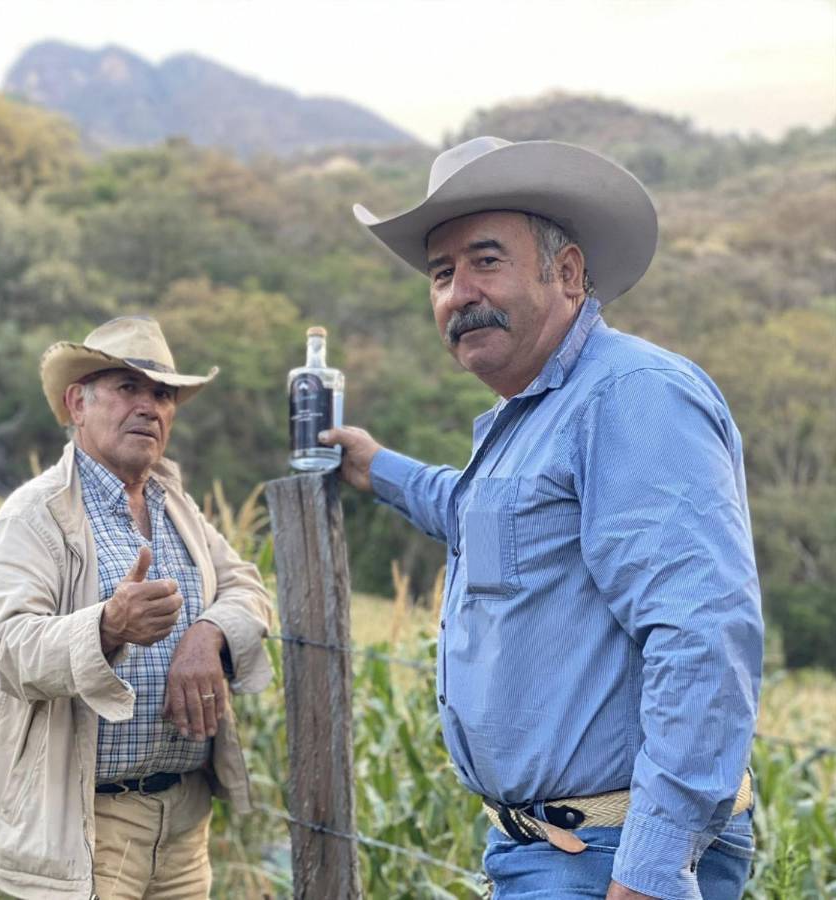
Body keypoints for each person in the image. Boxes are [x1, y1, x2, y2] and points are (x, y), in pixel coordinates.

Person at [320, 137, 763, 900]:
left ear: (567, 273)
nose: (460, 292)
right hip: (549, 851)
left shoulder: (630, 396)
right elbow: (484, 518)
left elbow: (702, 635)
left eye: (486, 261)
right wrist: (377, 466)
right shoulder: (532, 415)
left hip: (611, 855)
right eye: (441, 273)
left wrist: (652, 870)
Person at [0, 316, 273, 900]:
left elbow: (247, 588)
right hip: (87, 827)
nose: (149, 407)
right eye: (128, 388)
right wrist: (106, 627)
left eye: (162, 394)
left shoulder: (173, 503)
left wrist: (206, 635)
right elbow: (7, 650)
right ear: (77, 404)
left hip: (184, 822)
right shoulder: (36, 514)